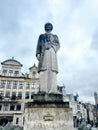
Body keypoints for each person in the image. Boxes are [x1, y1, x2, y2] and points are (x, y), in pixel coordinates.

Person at [36, 22, 60, 93]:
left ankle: (53, 90)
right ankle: (43, 90)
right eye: (46, 26)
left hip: (52, 53)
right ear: (45, 27)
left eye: (49, 26)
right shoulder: (41, 36)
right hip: (44, 53)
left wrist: (52, 46)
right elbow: (38, 45)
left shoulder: (55, 36)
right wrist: (38, 53)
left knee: (52, 70)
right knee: (43, 70)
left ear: (51, 27)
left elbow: (58, 45)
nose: (48, 27)